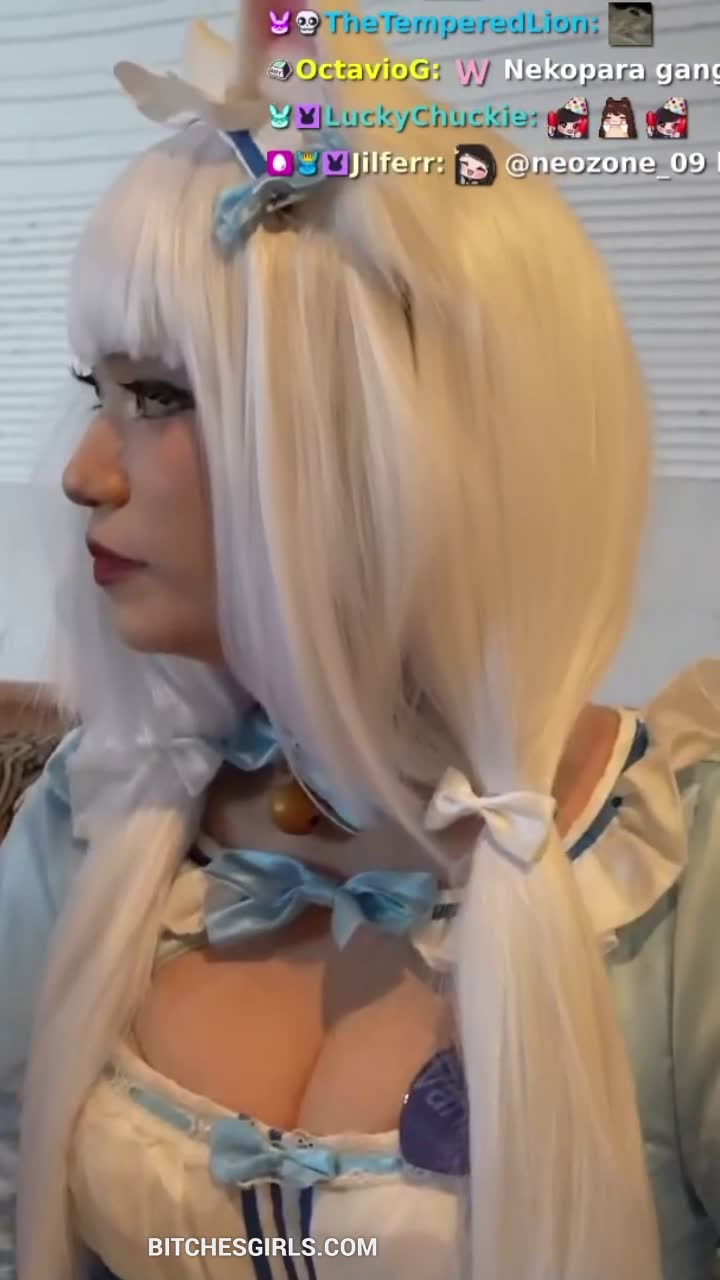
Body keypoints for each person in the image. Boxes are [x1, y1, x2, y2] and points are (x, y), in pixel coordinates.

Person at [1, 4, 719, 1279]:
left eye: (160, 393)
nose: (84, 472)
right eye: (93, 393)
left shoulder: (681, 886)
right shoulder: (95, 814)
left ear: (394, 445)